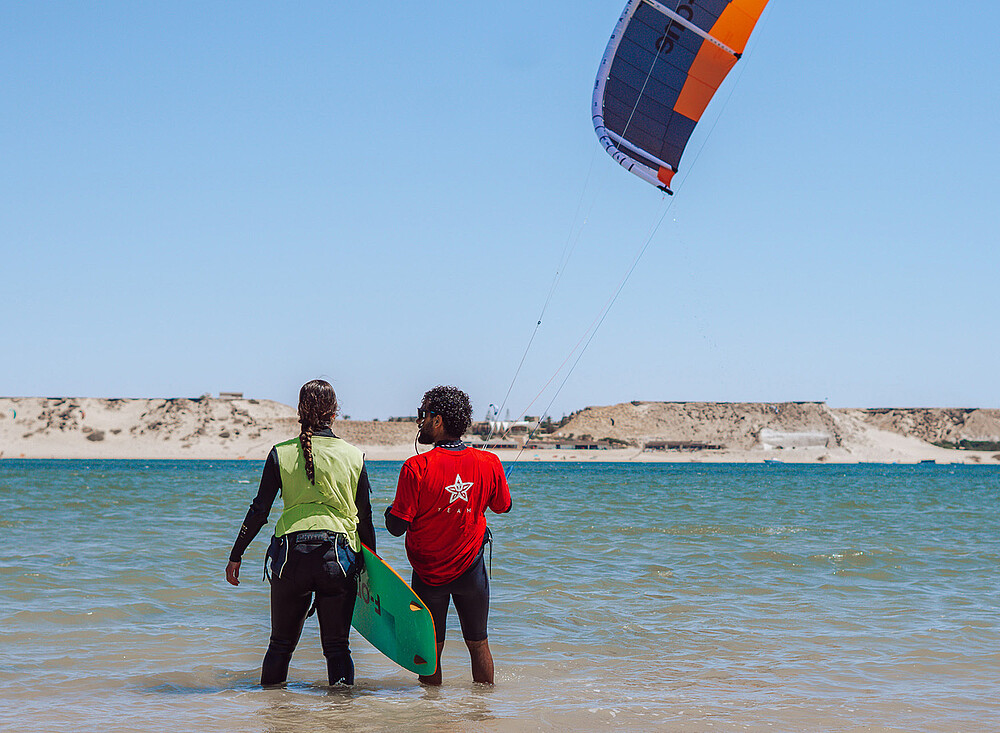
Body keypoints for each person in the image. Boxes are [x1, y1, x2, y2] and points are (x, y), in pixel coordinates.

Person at [225, 379, 376, 687]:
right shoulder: (353, 455)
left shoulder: (280, 454)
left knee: (280, 645)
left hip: (290, 559)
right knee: (337, 648)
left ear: (299, 412)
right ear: (334, 413)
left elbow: (259, 510)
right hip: (338, 559)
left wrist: (236, 554)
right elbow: (365, 517)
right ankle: (342, 718)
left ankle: (274, 716)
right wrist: (372, 566)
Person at [384, 385, 512, 685]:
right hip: (472, 573)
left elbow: (396, 527)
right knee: (478, 643)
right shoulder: (489, 462)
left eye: (422, 415)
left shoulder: (416, 467)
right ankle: (484, 714)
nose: (419, 422)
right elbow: (503, 506)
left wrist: (389, 511)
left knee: (431, 649)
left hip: (427, 576)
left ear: (438, 420)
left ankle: (431, 715)